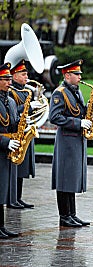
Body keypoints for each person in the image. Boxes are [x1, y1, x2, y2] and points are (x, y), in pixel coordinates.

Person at [49, 59, 91, 227]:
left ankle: (72, 214)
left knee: (71, 178)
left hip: (76, 140)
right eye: (77, 74)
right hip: (66, 140)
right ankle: (64, 216)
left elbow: (77, 111)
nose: (80, 77)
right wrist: (77, 123)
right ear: (67, 75)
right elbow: (55, 117)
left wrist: (88, 109)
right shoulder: (59, 93)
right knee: (64, 178)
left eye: (80, 74)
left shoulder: (76, 91)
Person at [8, 60, 41, 209]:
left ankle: (18, 197)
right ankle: (11, 198)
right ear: (14, 76)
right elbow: (12, 111)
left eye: (26, 73)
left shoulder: (26, 90)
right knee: (15, 166)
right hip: (15, 133)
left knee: (22, 167)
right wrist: (27, 108)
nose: (26, 76)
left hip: (25, 130)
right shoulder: (11, 92)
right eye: (23, 74)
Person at [0, 62, 21, 238]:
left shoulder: (11, 100)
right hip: (2, 147)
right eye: (5, 79)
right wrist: (4, 142)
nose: (9, 82)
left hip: (7, 150)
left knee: (3, 190)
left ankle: (1, 226)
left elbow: (13, 124)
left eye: (9, 78)